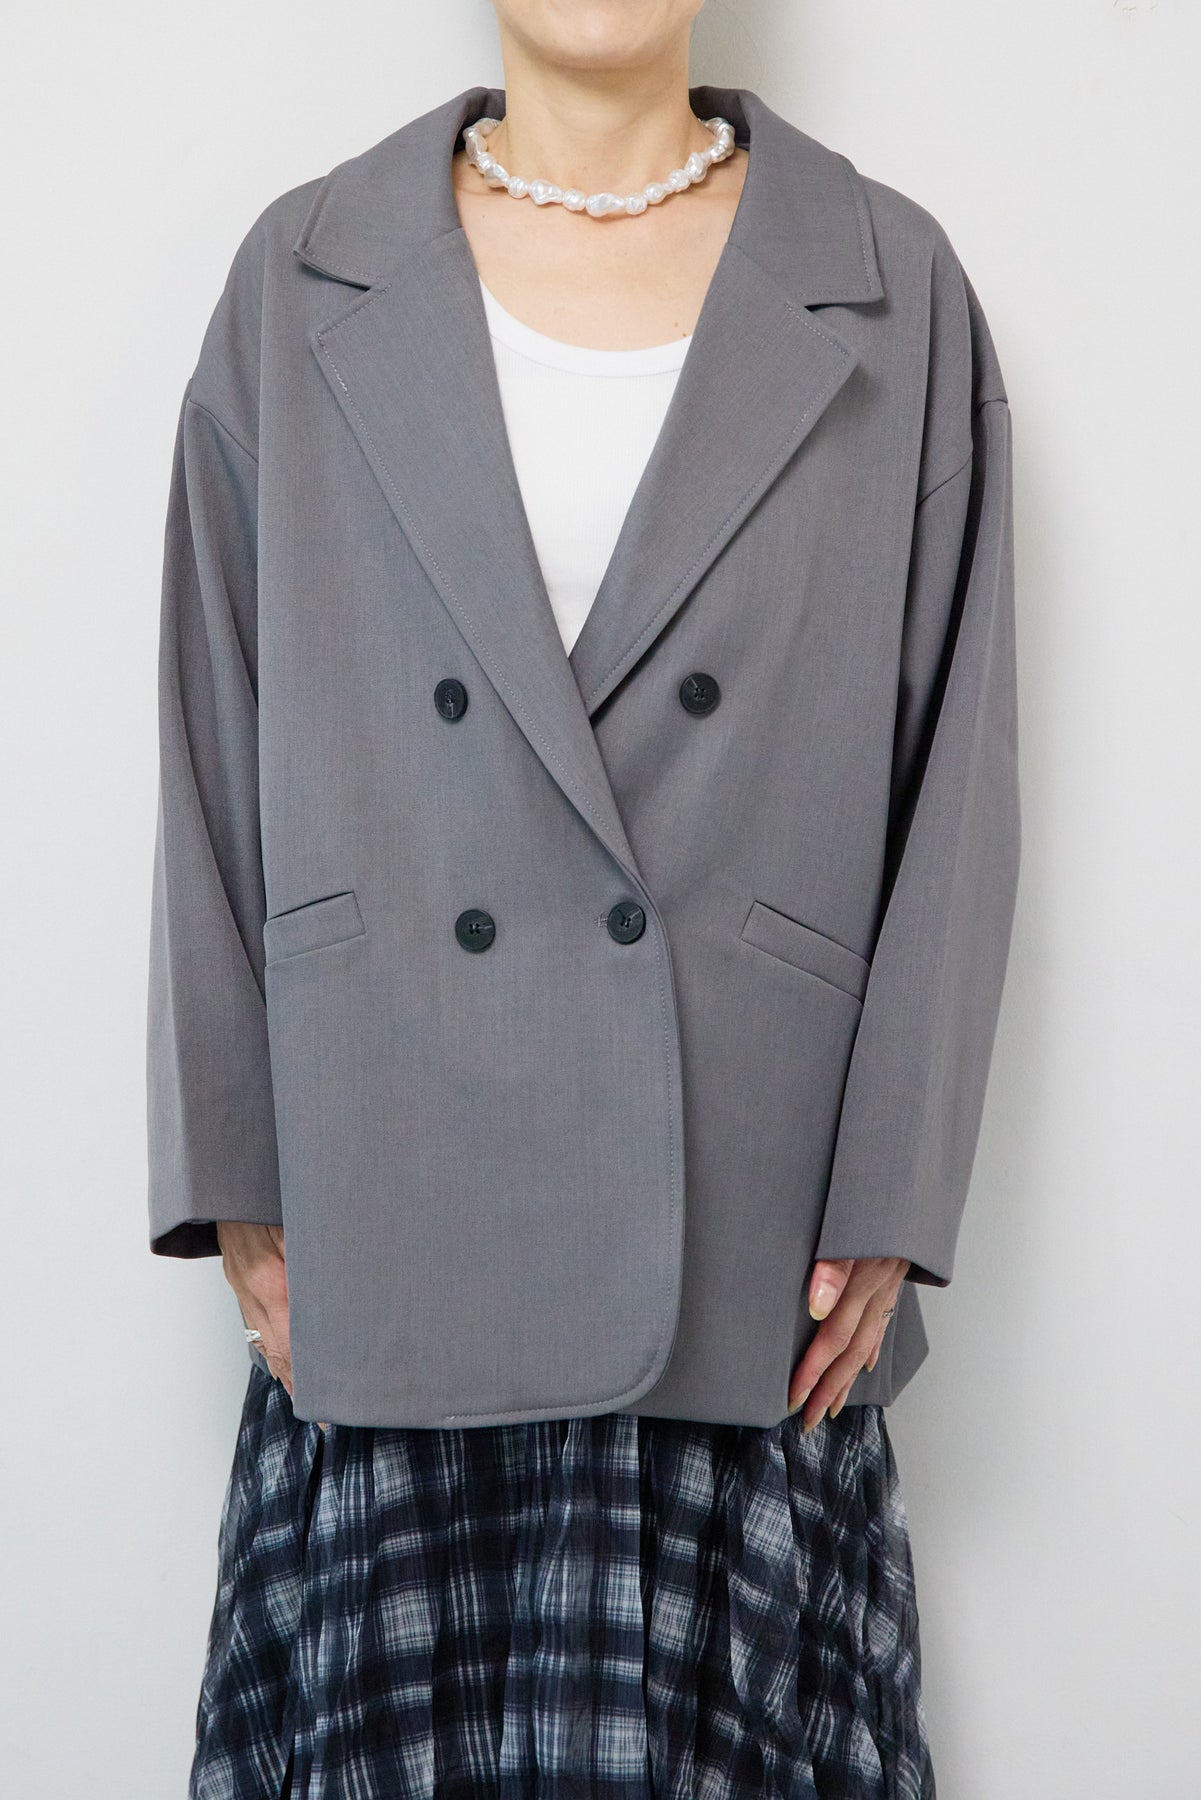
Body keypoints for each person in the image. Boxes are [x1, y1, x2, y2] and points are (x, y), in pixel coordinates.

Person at [147, 3, 1020, 1794]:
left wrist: (894, 1185)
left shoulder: (888, 284)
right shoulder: (302, 278)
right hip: (391, 1205)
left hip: (751, 1242)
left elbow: (960, 768)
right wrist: (231, 1167)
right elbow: (207, 729)